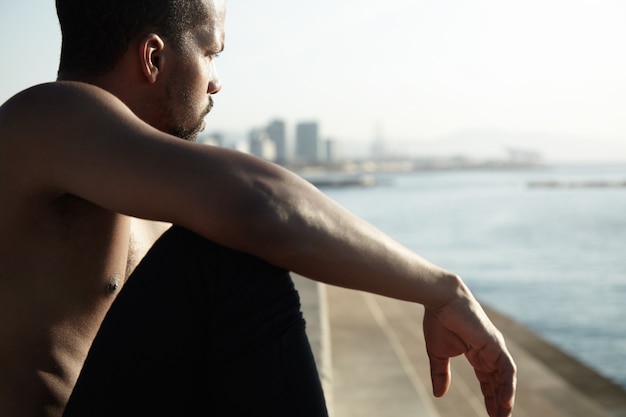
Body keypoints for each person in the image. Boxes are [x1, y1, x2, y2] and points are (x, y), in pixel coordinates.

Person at [0, 0, 516, 416]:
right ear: (153, 58)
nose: (217, 80)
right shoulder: (45, 116)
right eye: (210, 53)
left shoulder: (143, 177)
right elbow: (259, 202)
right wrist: (440, 290)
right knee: (227, 258)